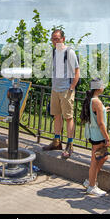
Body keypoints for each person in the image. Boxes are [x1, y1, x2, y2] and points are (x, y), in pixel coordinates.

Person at [43, 29, 80, 159]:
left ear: (63, 39)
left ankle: (70, 145)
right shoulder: (54, 52)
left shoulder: (69, 52)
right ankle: (57, 142)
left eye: (57, 38)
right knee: (56, 116)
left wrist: (71, 87)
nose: (55, 41)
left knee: (68, 117)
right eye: (53, 39)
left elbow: (77, 71)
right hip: (55, 89)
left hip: (66, 90)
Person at [80, 79, 110, 197]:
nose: (104, 87)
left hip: (93, 133)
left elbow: (96, 114)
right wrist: (107, 137)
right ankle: (92, 186)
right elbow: (101, 123)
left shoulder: (91, 99)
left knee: (103, 157)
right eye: (102, 85)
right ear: (99, 88)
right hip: (98, 135)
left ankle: (90, 180)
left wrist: (104, 110)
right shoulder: (96, 102)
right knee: (95, 160)